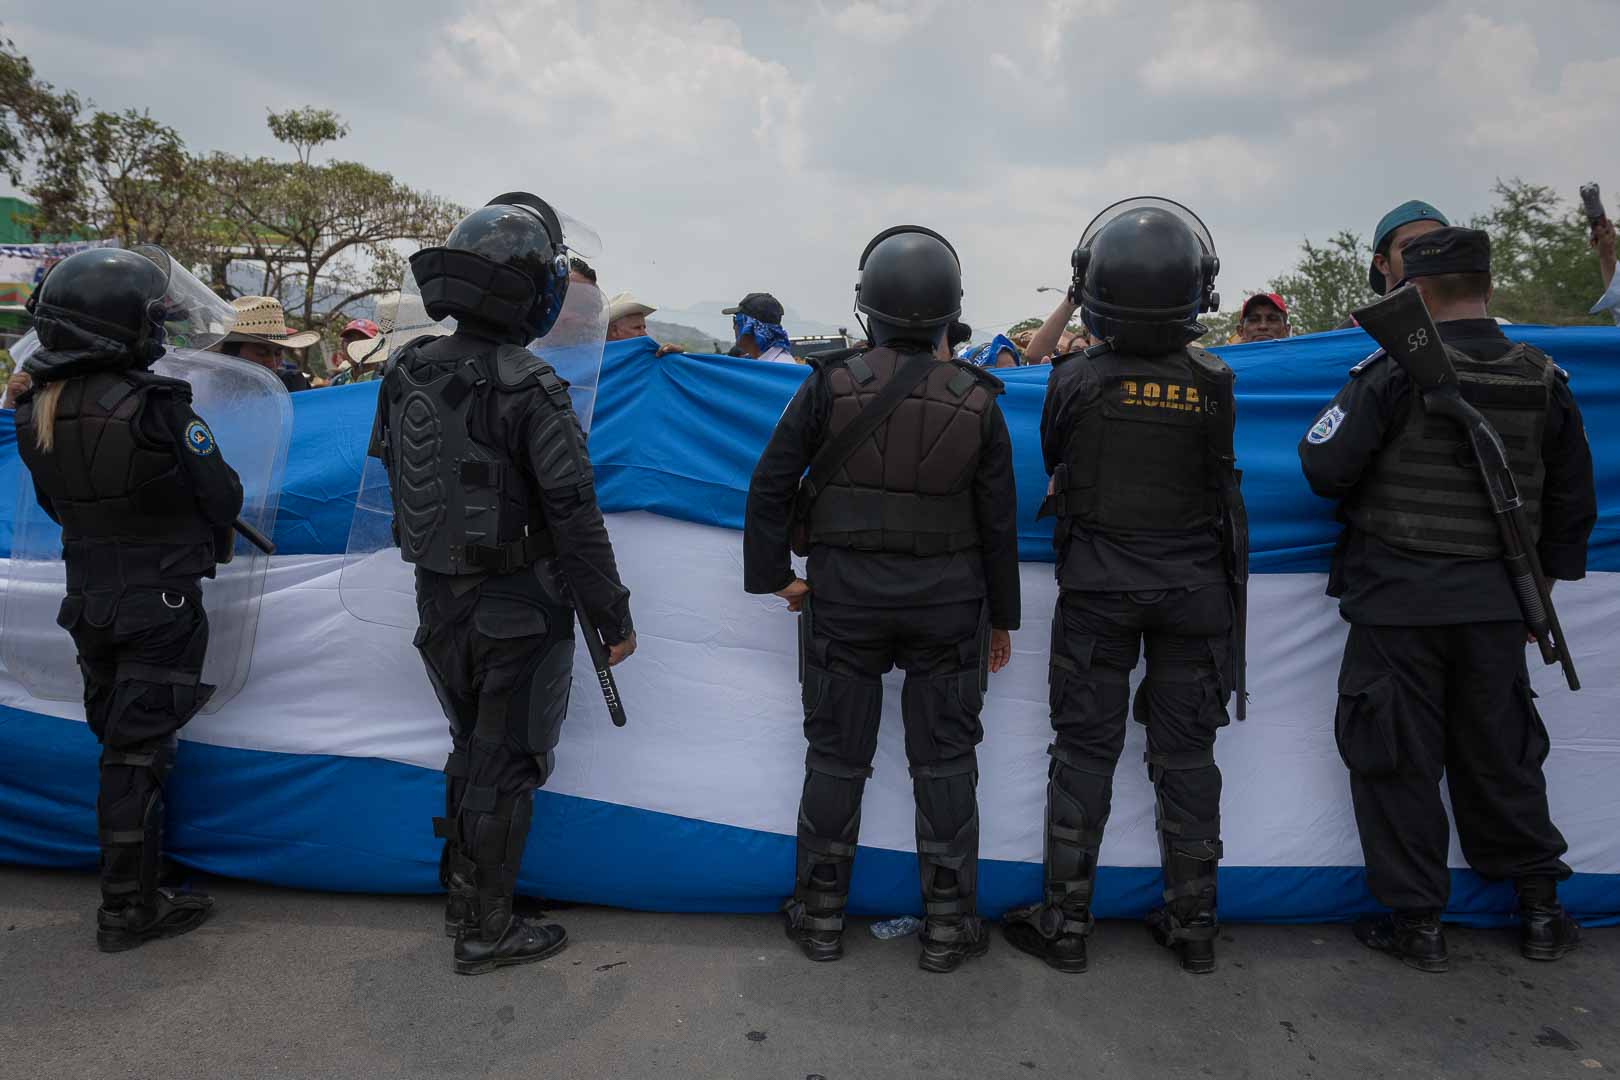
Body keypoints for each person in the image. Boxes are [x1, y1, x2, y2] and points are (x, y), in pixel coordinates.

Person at [1298, 226, 1596, 973]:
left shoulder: (1394, 370)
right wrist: (1534, 595)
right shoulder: (1545, 377)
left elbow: (1324, 467)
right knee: (1504, 758)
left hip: (1398, 605)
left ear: (1417, 293)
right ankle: (1537, 909)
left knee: (1396, 758)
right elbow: (1571, 509)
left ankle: (1418, 924)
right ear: (1487, 286)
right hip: (1498, 608)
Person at [369, 192, 636, 976]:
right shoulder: (532, 385)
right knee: (507, 760)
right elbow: (576, 514)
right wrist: (612, 614)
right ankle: (485, 927)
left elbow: (395, 468)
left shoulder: (408, 367)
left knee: (470, 752)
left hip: (437, 599)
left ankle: (466, 897)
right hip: (519, 604)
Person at [743, 225, 1020, 973]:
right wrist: (1003, 618)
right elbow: (999, 523)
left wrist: (777, 577)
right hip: (949, 607)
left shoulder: (827, 383)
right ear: (947, 313)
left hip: (846, 601)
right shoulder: (980, 400)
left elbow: (770, 486)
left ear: (867, 304)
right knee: (946, 762)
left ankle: (822, 915)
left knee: (837, 756)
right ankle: (947, 925)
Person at [1003, 197, 1244, 976]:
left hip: (1100, 591)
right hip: (1195, 593)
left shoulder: (1072, 379)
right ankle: (1195, 924)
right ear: (1197, 291)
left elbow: (1054, 453)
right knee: (1188, 755)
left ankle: (1065, 923)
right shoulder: (1215, 380)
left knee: (1083, 748)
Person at [12, 246, 245, 952]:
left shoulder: (36, 413)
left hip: (89, 602)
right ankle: (128, 906)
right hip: (161, 604)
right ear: (122, 327)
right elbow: (223, 495)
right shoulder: (159, 407)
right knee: (138, 755)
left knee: (119, 746)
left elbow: (58, 507)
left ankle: (134, 886)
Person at [217, 296, 319, 392]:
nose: (273, 363)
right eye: (261, 353)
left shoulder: (292, 384)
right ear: (232, 354)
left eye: (278, 353)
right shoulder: (208, 390)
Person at [1368, 200, 1448, 296]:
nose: (1426, 251)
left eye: (1437, 244)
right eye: (1410, 245)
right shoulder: (1374, 312)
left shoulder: (1467, 309)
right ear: (1382, 263)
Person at [605, 290, 682, 356]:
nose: (644, 334)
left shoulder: (652, 355)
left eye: (644, 328)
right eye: (637, 328)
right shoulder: (595, 360)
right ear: (614, 330)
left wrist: (679, 355)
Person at [724, 292, 795, 363]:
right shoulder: (761, 363)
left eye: (736, 321)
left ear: (749, 327)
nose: (734, 327)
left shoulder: (779, 367)